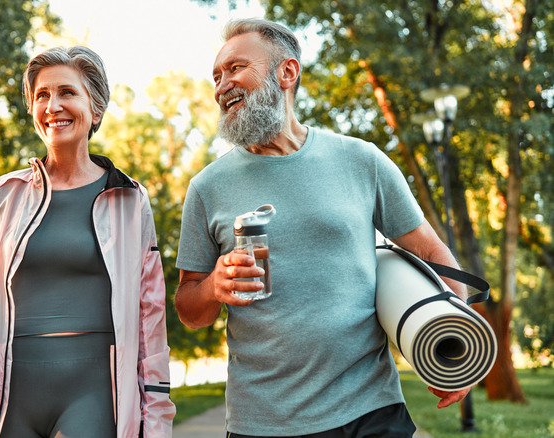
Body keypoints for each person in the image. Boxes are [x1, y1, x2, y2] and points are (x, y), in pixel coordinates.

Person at [174, 18, 471, 438]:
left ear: (287, 72)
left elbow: (432, 253)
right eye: (216, 76)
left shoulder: (362, 160)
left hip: (372, 409)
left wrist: (459, 344)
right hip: (263, 421)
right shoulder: (206, 188)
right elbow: (189, 310)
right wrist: (212, 287)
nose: (222, 85)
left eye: (236, 68)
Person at [0, 46, 175, 438]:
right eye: (42, 95)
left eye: (67, 93)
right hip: (6, 394)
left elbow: (150, 312)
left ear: (96, 109)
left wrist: (157, 412)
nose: (53, 105)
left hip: (94, 393)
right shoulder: (2, 195)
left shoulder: (129, 199)